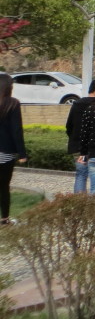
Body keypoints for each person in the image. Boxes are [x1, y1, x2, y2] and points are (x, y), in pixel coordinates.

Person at [0, 73, 28, 224]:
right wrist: (22, 153)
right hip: (5, 152)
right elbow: (16, 130)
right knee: (4, 187)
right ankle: (4, 218)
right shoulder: (12, 103)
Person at [66, 79, 95, 193]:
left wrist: (74, 138)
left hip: (77, 145)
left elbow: (69, 125)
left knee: (81, 175)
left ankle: (79, 204)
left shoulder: (77, 104)